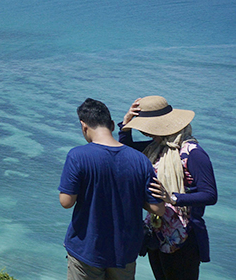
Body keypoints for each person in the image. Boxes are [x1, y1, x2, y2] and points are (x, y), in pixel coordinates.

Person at [59, 98, 165, 280]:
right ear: (112, 126)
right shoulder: (140, 160)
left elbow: (66, 202)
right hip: (125, 252)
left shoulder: (77, 156)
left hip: (87, 248)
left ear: (83, 126)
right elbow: (158, 208)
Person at [121, 96, 217, 280]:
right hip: (156, 234)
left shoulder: (193, 153)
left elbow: (210, 195)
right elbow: (126, 150)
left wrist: (173, 198)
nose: (145, 132)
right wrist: (126, 123)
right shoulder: (157, 147)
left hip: (184, 237)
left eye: (149, 127)